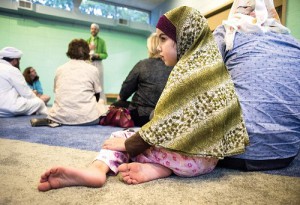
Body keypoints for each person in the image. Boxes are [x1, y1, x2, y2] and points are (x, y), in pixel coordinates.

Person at [37, 6, 249, 191]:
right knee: (157, 139)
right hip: (208, 163)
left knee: (124, 136)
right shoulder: (215, 70)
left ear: (184, 38)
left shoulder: (184, 74)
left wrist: (129, 144)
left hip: (184, 159)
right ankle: (159, 169)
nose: (159, 47)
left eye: (164, 39)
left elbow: (162, 126)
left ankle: (97, 171)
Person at [213, 0, 300, 171]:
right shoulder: (294, 43)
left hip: (236, 151)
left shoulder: (227, 31)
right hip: (287, 152)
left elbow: (200, 75)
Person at [112, 33, 173, 127]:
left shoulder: (142, 64)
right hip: (162, 116)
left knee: (116, 105)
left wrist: (121, 98)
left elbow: (126, 88)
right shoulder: (173, 67)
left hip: (140, 116)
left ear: (150, 47)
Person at [41, 39, 107, 126]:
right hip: (87, 119)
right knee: (101, 103)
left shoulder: (59, 69)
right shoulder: (93, 69)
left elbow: (56, 91)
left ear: (69, 52)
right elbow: (97, 95)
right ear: (87, 52)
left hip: (58, 117)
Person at [0, 47, 48, 117]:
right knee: (39, 103)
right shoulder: (13, 70)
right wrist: (37, 98)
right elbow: (26, 94)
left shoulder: (36, 80)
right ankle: (51, 117)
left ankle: (33, 111)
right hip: (7, 108)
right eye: (19, 60)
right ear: (14, 60)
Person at [86, 23, 108, 103]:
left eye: (95, 29)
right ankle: (89, 102)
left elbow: (105, 55)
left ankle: (101, 102)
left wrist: (97, 55)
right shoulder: (86, 41)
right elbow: (83, 54)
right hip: (88, 63)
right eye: (92, 28)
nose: (93, 30)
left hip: (98, 63)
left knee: (99, 83)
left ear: (98, 30)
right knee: (88, 82)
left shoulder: (102, 42)